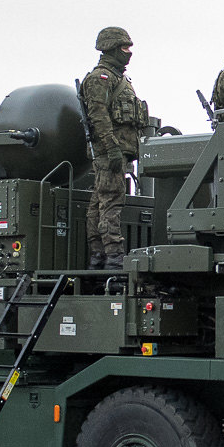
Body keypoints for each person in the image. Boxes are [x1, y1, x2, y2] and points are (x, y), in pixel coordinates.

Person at [79, 26, 149, 270]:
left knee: (100, 201)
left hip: (116, 151)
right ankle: (112, 257)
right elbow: (98, 116)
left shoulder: (120, 79)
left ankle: (99, 256)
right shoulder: (100, 78)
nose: (129, 52)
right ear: (110, 48)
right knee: (110, 203)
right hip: (109, 152)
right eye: (124, 47)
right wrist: (112, 149)